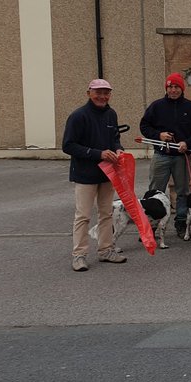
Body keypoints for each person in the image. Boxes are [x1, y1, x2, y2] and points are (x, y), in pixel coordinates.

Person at [63, 79, 125, 271]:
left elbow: (115, 138)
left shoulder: (111, 114)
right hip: (84, 174)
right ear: (88, 93)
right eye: (98, 92)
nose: (102, 96)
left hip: (107, 174)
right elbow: (68, 145)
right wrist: (97, 154)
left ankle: (105, 250)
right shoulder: (78, 116)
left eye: (106, 93)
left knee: (107, 214)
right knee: (83, 216)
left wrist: (119, 149)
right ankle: (79, 255)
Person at [139, 72, 191, 238]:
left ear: (182, 89)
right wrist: (158, 135)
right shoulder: (156, 106)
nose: (173, 90)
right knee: (155, 191)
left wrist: (188, 143)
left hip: (181, 157)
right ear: (166, 88)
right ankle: (151, 226)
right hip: (161, 155)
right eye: (170, 87)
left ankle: (181, 222)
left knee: (182, 191)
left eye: (176, 87)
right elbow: (145, 126)